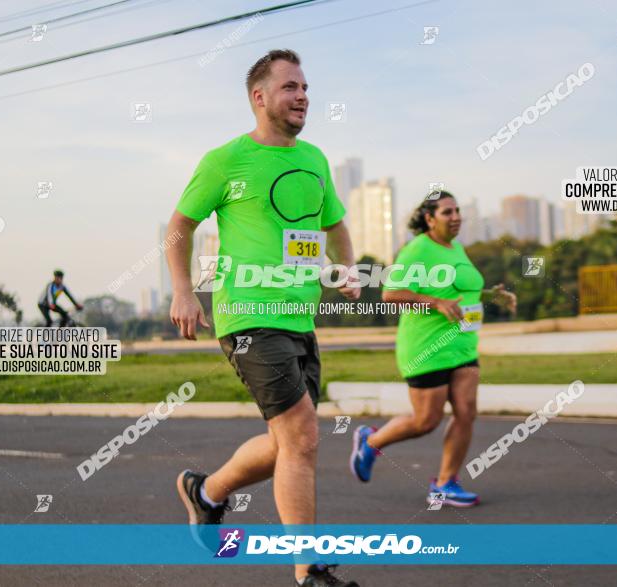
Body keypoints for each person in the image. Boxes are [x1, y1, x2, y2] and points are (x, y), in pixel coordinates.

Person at [166, 49, 361, 587]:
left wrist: (346, 269)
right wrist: (184, 291)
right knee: (301, 436)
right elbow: (180, 224)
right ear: (259, 98)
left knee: (287, 444)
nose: (302, 97)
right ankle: (309, 571)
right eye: (290, 87)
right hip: (247, 316)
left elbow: (335, 223)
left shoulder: (316, 158)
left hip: (299, 318)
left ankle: (205, 492)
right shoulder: (227, 160)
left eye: (305, 88)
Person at [350, 191, 517, 507]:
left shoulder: (456, 248)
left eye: (457, 211)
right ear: (429, 218)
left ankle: (445, 484)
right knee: (426, 421)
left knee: (466, 413)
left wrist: (492, 295)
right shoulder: (417, 249)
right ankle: (370, 441)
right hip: (427, 348)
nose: (455, 217)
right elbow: (391, 293)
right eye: (446, 212)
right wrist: (435, 302)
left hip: (463, 345)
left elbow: (460, 289)